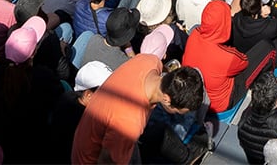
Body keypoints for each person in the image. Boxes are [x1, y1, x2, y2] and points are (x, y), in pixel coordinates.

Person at [71, 53, 203, 165]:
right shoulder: (129, 121)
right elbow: (107, 160)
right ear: (167, 99)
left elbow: (163, 69)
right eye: (178, 112)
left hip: (101, 135)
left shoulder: (149, 61)